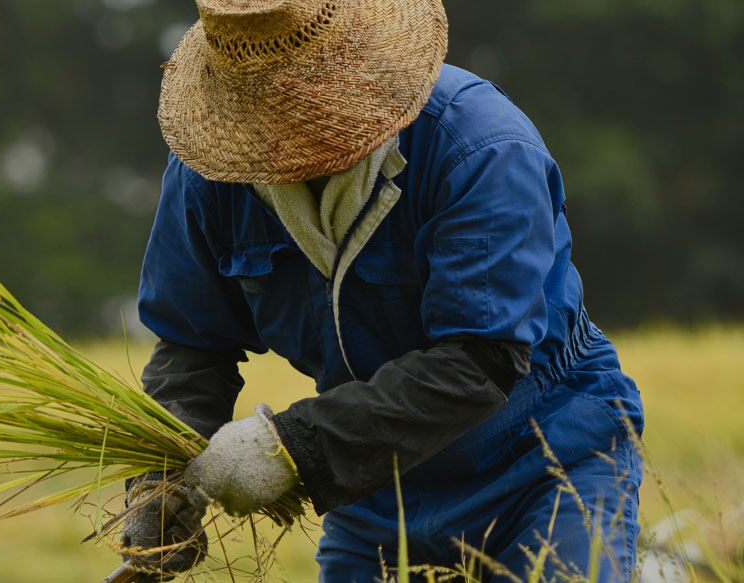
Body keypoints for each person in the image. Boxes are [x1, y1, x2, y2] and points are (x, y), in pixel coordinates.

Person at [114, 0, 645, 581]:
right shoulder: (213, 169)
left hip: (541, 461)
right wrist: (159, 486)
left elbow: (482, 362)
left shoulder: (479, 148)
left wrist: (292, 448)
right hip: (376, 487)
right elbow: (193, 346)